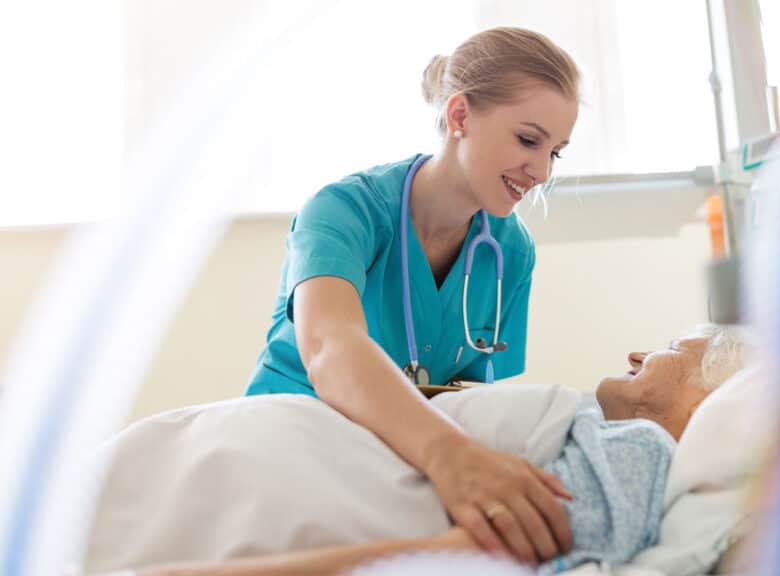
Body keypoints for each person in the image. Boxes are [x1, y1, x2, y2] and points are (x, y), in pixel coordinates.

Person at [241, 27, 581, 564]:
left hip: (399, 462)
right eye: (528, 141)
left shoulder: (510, 250)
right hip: (291, 442)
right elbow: (330, 347)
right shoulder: (344, 211)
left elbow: (472, 397)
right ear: (461, 116)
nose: (540, 173)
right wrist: (450, 457)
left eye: (556, 153)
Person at [125, 325, 750, 576]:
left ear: (715, 393)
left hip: (207, 497)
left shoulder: (637, 460)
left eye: (675, 344)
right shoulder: (607, 440)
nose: (639, 353)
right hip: (201, 470)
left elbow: (434, 561)